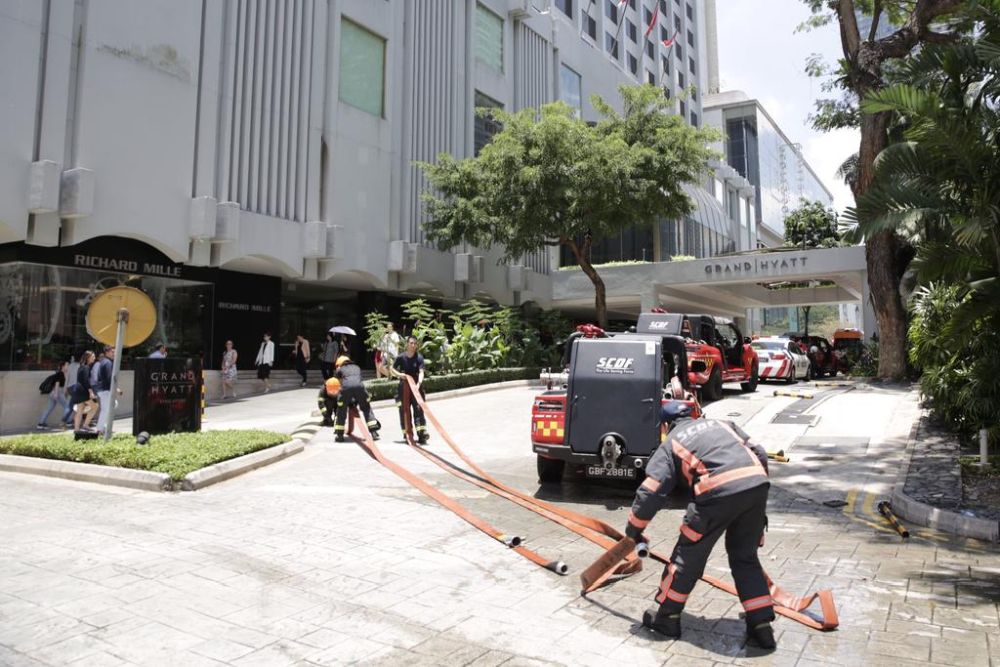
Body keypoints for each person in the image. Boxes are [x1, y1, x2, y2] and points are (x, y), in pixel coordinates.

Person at [625, 402, 775, 649]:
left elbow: (651, 491)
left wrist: (634, 529)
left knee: (688, 557)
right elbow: (759, 452)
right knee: (744, 557)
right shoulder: (722, 424)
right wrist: (757, 500)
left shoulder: (671, 441)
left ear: (665, 426)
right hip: (756, 484)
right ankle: (761, 625)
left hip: (715, 492)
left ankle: (667, 617)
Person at [332, 355, 380, 442]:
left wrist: (345, 399)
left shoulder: (340, 369)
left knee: (341, 410)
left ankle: (339, 435)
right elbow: (355, 381)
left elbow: (338, 382)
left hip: (346, 389)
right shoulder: (357, 367)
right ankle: (374, 432)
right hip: (360, 388)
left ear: (340, 364)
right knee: (366, 408)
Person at [391, 336, 429, 444]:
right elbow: (392, 368)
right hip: (404, 387)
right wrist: (400, 374)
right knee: (404, 410)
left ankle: (421, 434)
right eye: (411, 343)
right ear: (407, 344)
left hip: (416, 386)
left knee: (419, 409)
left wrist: (419, 384)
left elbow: (421, 372)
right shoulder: (401, 357)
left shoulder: (419, 358)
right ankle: (407, 433)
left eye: (415, 344)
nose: (413, 345)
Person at [37, 360, 72, 429]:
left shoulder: (60, 373)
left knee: (49, 408)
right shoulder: (60, 373)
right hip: (57, 392)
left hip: (53, 392)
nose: (68, 367)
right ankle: (67, 421)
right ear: (63, 366)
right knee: (67, 407)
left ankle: (41, 423)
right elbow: (57, 383)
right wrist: (56, 394)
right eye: (67, 365)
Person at [70, 351, 98, 432]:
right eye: (93, 356)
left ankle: (76, 429)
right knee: (95, 406)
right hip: (82, 391)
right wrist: (91, 392)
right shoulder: (86, 367)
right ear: (88, 357)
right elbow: (86, 381)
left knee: (80, 410)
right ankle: (85, 425)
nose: (94, 358)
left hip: (78, 390)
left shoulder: (81, 366)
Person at [93, 345, 117, 435]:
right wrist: (115, 388)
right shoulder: (107, 363)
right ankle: (100, 429)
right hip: (105, 390)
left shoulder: (104, 362)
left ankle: (102, 427)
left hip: (103, 389)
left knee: (112, 406)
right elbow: (109, 377)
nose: (114, 353)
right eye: (112, 352)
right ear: (107, 352)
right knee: (105, 409)